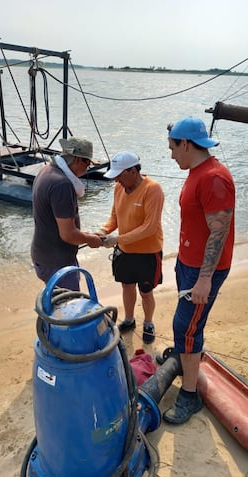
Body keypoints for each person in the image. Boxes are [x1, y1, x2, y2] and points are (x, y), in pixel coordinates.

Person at [163, 117, 235, 424]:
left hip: (203, 271)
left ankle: (190, 395)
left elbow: (219, 232)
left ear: (186, 144)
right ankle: (184, 356)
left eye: (172, 148)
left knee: (186, 328)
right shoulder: (196, 172)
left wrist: (205, 278)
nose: (171, 155)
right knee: (187, 328)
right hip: (189, 263)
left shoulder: (214, 178)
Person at [97, 151, 164, 344]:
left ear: (132, 171)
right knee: (127, 286)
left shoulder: (153, 189)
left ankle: (149, 322)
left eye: (119, 175)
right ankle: (129, 319)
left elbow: (149, 228)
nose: (116, 179)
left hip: (147, 252)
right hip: (125, 250)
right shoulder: (119, 188)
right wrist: (102, 231)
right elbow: (114, 218)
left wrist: (117, 239)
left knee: (146, 291)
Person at [31, 136, 103, 290]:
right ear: (78, 160)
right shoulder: (62, 184)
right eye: (88, 164)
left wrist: (83, 235)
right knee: (69, 307)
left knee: (54, 303)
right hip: (57, 263)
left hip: (43, 255)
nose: (87, 169)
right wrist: (90, 239)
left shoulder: (47, 170)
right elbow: (68, 234)